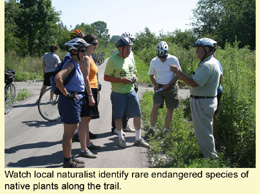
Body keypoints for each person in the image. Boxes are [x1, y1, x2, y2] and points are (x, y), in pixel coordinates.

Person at [170, 38, 222, 159]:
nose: (196, 51)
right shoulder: (210, 62)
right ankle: (207, 155)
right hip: (204, 100)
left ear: (207, 49)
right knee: (203, 132)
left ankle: (211, 160)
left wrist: (178, 72)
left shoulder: (207, 65)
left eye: (198, 48)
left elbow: (193, 83)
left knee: (205, 133)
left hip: (203, 102)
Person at [104, 36, 149, 148]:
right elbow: (106, 77)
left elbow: (133, 72)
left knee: (137, 114)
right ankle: (120, 138)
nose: (129, 51)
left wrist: (134, 78)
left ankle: (138, 139)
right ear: (120, 48)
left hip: (131, 90)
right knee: (118, 116)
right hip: (118, 92)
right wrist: (121, 80)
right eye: (127, 48)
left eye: (130, 48)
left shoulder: (129, 58)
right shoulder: (112, 60)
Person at [55, 38, 89, 168]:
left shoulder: (75, 64)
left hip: (74, 101)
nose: (85, 53)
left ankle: (69, 157)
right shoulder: (70, 64)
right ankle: (67, 161)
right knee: (69, 133)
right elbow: (58, 78)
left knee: (70, 131)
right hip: (70, 102)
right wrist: (67, 94)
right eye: (83, 51)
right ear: (74, 51)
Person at [64, 29, 97, 141]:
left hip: (78, 89)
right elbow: (82, 76)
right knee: (80, 120)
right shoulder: (71, 56)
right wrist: (66, 93)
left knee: (82, 118)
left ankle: (83, 137)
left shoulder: (80, 53)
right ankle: (81, 140)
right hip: (75, 90)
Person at [145, 41, 181, 139]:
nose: (162, 59)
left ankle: (165, 130)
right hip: (159, 87)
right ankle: (152, 129)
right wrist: (155, 84)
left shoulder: (173, 59)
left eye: (164, 57)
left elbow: (178, 74)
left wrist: (168, 85)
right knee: (155, 106)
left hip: (171, 87)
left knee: (170, 109)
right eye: (160, 57)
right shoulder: (154, 61)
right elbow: (151, 75)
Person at [77, 34, 101, 159]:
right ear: (88, 44)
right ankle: (83, 148)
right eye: (94, 43)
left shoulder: (90, 57)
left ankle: (87, 144)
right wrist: (90, 95)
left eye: (97, 43)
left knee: (87, 119)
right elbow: (85, 77)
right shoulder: (86, 58)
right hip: (88, 90)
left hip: (92, 89)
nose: (96, 46)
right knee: (84, 119)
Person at [110, 32, 136, 136]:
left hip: (130, 84)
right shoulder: (116, 53)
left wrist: (134, 77)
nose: (131, 43)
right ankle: (116, 127)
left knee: (127, 108)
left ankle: (125, 125)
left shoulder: (131, 53)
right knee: (117, 109)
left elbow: (133, 67)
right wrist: (121, 80)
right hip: (119, 87)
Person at [213, 60, 223, 139]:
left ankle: (214, 137)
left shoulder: (215, 62)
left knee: (213, 115)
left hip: (215, 92)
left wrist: (215, 91)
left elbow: (220, 76)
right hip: (210, 92)